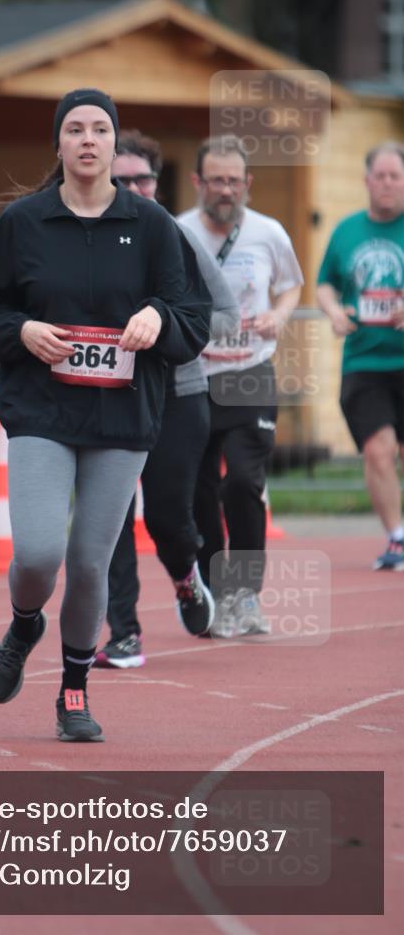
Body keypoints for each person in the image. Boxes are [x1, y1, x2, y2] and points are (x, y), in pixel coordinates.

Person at [0, 88, 211, 741]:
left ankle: (73, 689)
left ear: (112, 142)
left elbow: (193, 318)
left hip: (121, 418)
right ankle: (24, 624)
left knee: (90, 562)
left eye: (99, 129)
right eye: (74, 129)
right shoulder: (23, 223)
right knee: (40, 552)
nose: (87, 140)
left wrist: (158, 318)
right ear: (59, 144)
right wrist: (20, 331)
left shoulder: (153, 226)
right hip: (43, 410)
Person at [94, 130, 239, 669]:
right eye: (123, 178)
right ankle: (124, 633)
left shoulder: (177, 235)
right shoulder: (91, 236)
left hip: (177, 394)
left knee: (167, 520)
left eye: (143, 178)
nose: (133, 187)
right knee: (107, 516)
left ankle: (185, 577)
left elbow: (225, 315)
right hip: (105, 394)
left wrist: (166, 332)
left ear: (157, 182)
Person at [178, 135, 303, 638]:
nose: (225, 190)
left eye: (234, 181)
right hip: (193, 374)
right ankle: (212, 592)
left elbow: (293, 283)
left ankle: (246, 594)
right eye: (216, 181)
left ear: (247, 184)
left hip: (250, 370)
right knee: (200, 489)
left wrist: (279, 313)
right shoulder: (177, 232)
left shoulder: (269, 233)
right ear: (198, 183)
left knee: (244, 481)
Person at [316, 141, 404, 571]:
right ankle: (397, 536)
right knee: (378, 450)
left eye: (395, 176)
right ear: (368, 181)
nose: (387, 183)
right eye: (380, 176)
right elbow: (326, 283)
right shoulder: (347, 231)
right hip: (365, 362)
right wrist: (334, 311)